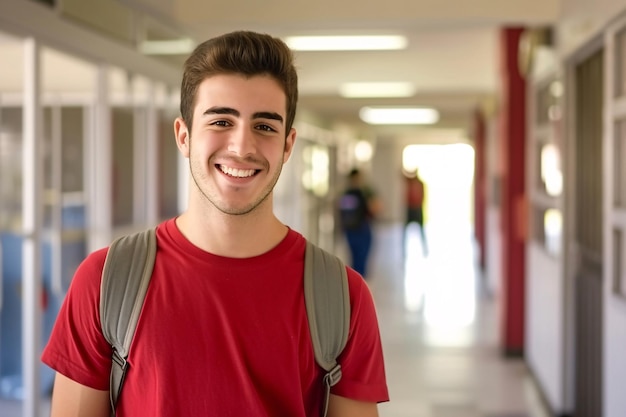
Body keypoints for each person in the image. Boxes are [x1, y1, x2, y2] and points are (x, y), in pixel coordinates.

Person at [41, 31, 389, 417]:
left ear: (288, 145)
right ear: (184, 135)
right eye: (222, 121)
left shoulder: (342, 297)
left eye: (265, 126)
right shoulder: (106, 282)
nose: (242, 147)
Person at [338, 168, 382, 278]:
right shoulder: (365, 192)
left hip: (354, 231)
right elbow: (376, 208)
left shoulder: (346, 193)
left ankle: (357, 285)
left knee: (356, 261)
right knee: (360, 261)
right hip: (360, 230)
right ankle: (360, 285)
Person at [403, 168, 428, 256]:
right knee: (405, 232)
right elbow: (402, 174)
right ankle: (403, 252)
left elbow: (423, 196)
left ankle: (425, 250)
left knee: (421, 230)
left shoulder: (420, 183)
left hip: (418, 208)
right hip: (410, 209)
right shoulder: (409, 181)